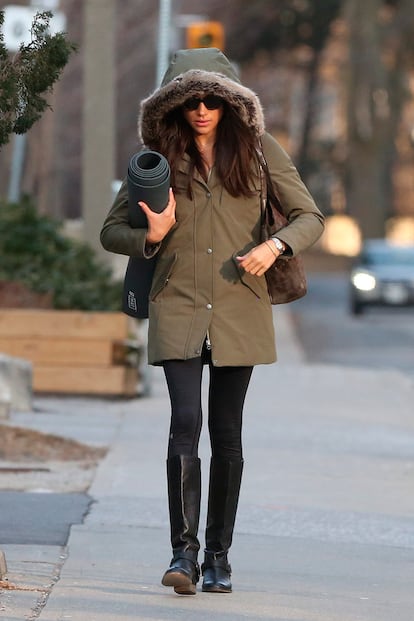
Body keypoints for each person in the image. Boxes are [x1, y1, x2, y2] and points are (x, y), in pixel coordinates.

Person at [100, 48, 324, 596]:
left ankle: (220, 557)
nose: (201, 109)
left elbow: (310, 217)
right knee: (184, 423)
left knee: (227, 435)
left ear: (230, 105)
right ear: (174, 106)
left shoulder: (261, 152)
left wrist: (275, 247)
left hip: (237, 311)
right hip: (176, 305)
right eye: (190, 100)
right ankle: (184, 553)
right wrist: (150, 235)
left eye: (213, 100)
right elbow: (110, 232)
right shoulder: (155, 160)